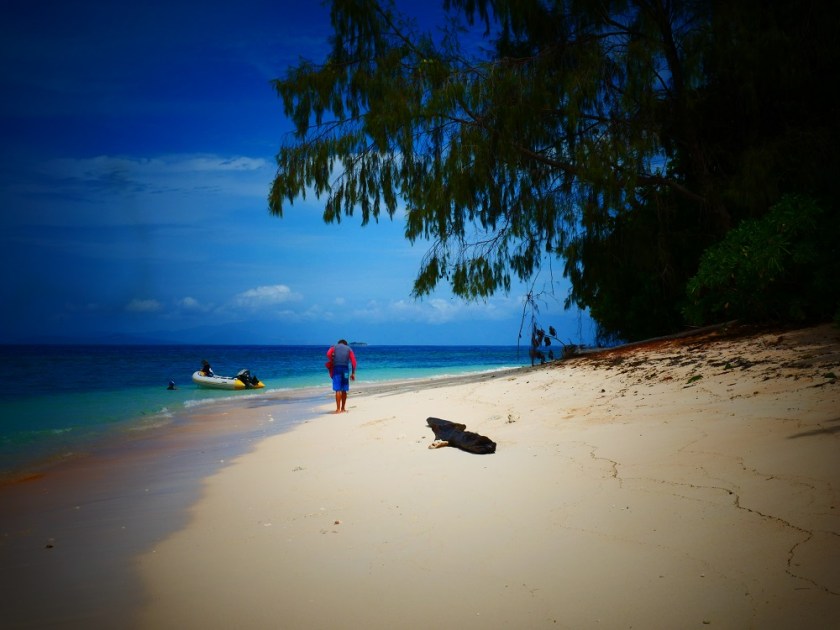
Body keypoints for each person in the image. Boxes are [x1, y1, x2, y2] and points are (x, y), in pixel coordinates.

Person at [326, 339, 357, 413]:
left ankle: (338, 409)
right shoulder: (349, 349)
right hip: (345, 370)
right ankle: (343, 408)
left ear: (339, 343)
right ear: (345, 344)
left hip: (337, 369)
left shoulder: (334, 347)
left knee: (338, 389)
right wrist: (353, 373)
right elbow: (354, 362)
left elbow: (328, 354)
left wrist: (332, 359)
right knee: (344, 389)